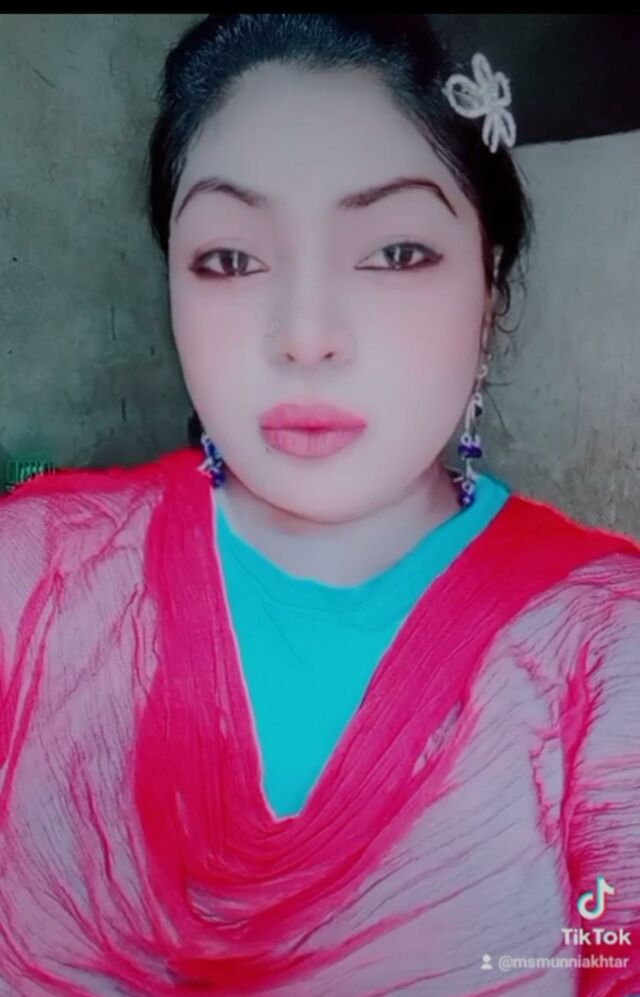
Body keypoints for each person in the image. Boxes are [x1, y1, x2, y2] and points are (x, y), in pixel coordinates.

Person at [1, 14, 638, 996]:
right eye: (229, 258)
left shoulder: (608, 651)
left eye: (394, 252)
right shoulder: (30, 574)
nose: (303, 334)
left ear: (489, 286)